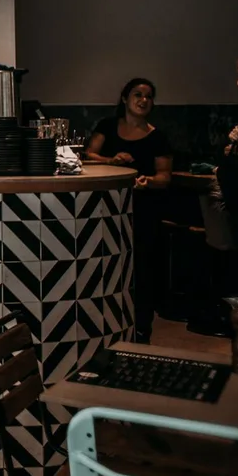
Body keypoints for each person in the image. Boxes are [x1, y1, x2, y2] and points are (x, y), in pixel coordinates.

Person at [84, 78, 173, 343]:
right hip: (106, 210)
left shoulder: (158, 136)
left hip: (143, 211)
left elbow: (165, 176)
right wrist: (111, 160)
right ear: (124, 98)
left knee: (142, 269)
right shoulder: (107, 127)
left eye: (148, 96)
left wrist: (148, 182)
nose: (143, 100)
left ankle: (142, 328)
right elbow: (87, 155)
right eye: (138, 94)